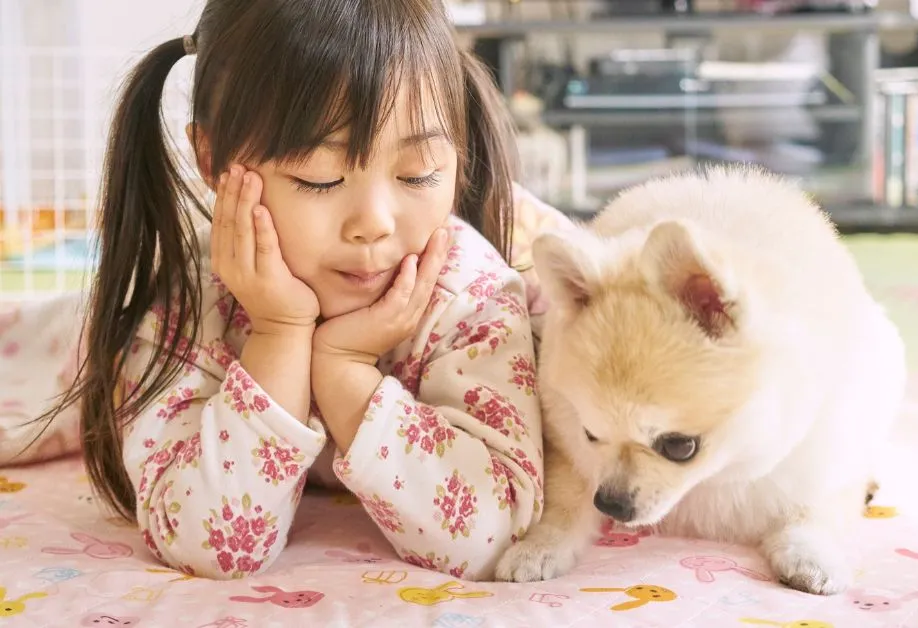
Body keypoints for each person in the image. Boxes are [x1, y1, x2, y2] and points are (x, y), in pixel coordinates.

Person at [27, 0, 563, 581]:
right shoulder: (197, 292)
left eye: (418, 175)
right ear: (212, 159)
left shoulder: (471, 292)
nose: (374, 223)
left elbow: (494, 531)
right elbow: (208, 541)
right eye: (319, 178)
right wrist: (280, 334)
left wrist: (343, 370)